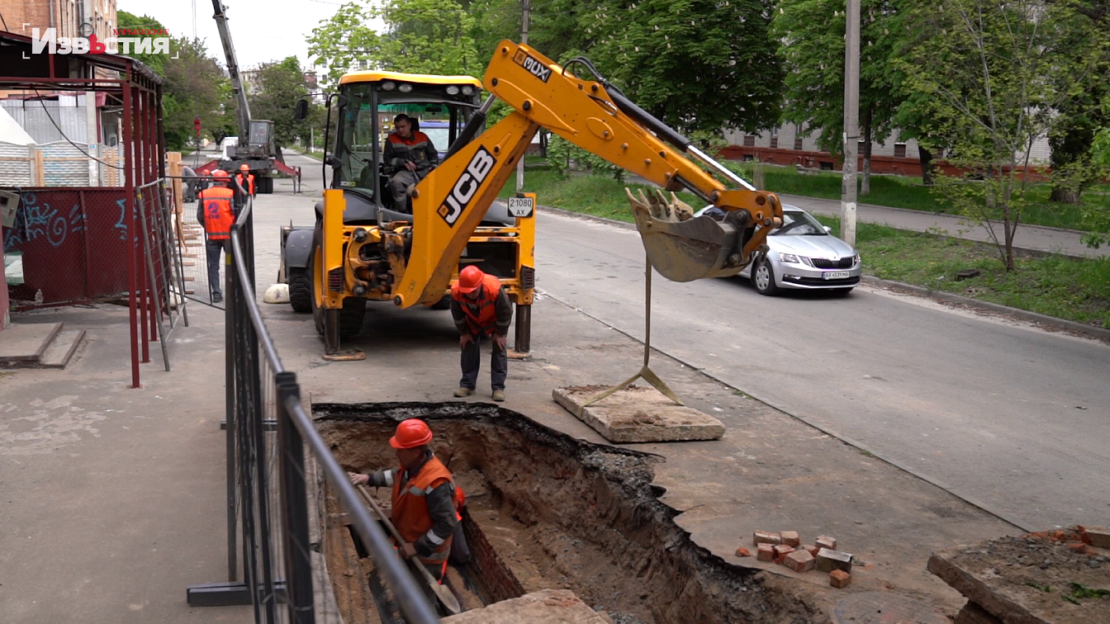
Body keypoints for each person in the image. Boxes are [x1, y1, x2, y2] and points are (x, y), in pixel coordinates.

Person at [347, 419, 465, 580]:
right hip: (406, 542)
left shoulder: (436, 483)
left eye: (400, 450)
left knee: (420, 592)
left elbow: (447, 524)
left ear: (415, 452)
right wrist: (368, 478)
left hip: (426, 557)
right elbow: (396, 475)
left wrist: (417, 547)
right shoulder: (412, 466)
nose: (396, 453)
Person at [451, 266, 512, 401]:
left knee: (499, 347)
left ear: (480, 285)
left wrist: (499, 334)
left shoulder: (494, 289)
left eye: (474, 291)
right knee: (468, 345)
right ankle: (467, 385)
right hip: (472, 320)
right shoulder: (456, 292)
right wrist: (464, 333)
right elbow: (457, 315)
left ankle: (498, 388)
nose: (471, 294)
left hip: (494, 320)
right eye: (468, 292)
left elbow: (505, 313)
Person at [383, 114, 438, 212]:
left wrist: (433, 166)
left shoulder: (422, 137)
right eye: (397, 127)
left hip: (425, 170)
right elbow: (387, 160)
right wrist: (402, 162)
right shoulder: (391, 140)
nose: (400, 130)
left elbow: (433, 154)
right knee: (396, 182)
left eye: (403, 126)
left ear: (410, 125)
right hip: (406, 172)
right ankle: (403, 212)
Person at [196, 170, 235, 303]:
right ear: (224, 182)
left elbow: (199, 216)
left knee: (213, 265)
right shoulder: (230, 194)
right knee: (230, 263)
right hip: (228, 238)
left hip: (212, 237)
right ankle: (232, 290)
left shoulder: (204, 194)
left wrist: (209, 227)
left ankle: (216, 293)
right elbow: (235, 213)